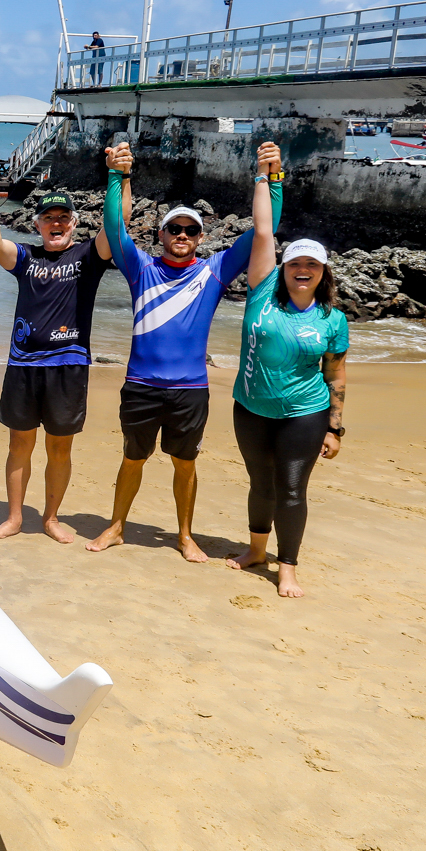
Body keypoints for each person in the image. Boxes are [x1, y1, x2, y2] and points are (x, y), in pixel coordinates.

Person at [85, 141, 284, 561]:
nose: (181, 236)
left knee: (185, 464)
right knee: (132, 459)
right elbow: (115, 228)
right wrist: (117, 175)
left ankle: (185, 535)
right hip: (140, 386)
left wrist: (270, 177)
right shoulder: (141, 268)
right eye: (174, 229)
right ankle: (117, 526)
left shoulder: (214, 272)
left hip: (190, 390)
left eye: (190, 230)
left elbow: (264, 232)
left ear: (201, 238)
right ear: (160, 235)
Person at [0, 183, 114, 543]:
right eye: (49, 218)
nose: (56, 223)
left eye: (63, 218)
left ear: (73, 224)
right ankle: (14, 517)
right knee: (19, 444)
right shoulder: (27, 258)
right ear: (37, 224)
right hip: (23, 366)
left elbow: (115, 225)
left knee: (59, 447)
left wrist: (118, 177)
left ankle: (51, 518)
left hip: (68, 368)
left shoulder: (88, 257)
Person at [226, 232, 347, 598]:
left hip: (306, 413)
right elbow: (264, 231)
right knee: (259, 481)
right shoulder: (261, 297)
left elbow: (335, 373)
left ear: (323, 272)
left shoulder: (333, 319)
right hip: (251, 409)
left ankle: (288, 567)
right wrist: (267, 178)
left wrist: (335, 428)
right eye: (295, 263)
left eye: (312, 264)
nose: (303, 270)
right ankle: (257, 551)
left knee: (292, 489)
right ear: (283, 269)